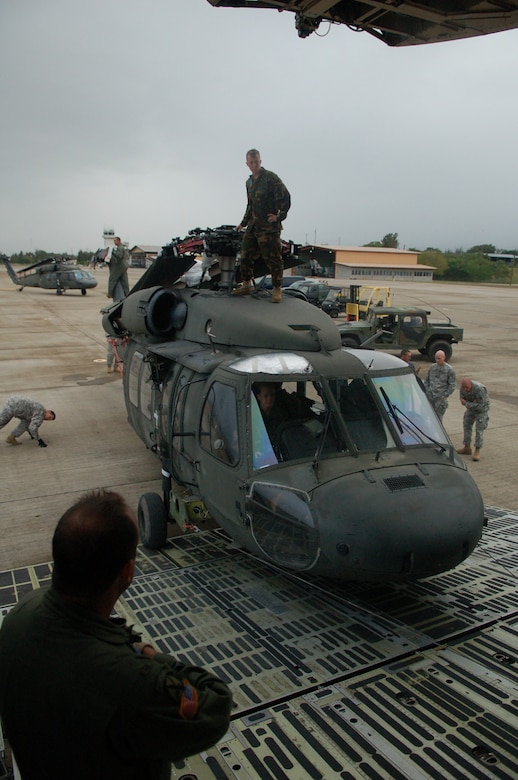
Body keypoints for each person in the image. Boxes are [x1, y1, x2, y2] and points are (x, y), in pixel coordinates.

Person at [0, 490, 232, 780]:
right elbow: (214, 707)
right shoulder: (130, 679)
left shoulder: (20, 614)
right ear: (128, 571)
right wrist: (149, 654)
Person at [233, 149, 291, 303]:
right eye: (251, 162)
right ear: (247, 164)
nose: (254, 164)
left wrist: (279, 217)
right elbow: (250, 205)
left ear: (260, 161)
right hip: (253, 225)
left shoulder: (270, 178)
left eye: (256, 161)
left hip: (268, 227)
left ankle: (277, 289)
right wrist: (243, 223)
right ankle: (246, 284)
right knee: (245, 254)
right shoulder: (249, 182)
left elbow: (285, 197)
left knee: (273, 258)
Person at [106, 236, 130, 372]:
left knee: (113, 280)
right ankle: (112, 366)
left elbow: (119, 256)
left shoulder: (120, 249)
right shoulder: (122, 250)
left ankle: (111, 366)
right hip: (118, 335)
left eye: (115, 240)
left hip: (116, 336)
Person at [456, 377, 490, 462]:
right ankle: (467, 447)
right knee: (466, 425)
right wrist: (472, 403)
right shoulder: (463, 387)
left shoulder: (480, 389)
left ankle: (477, 450)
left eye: (467, 388)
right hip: (471, 410)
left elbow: (480, 405)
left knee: (479, 430)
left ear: (471, 384)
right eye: (464, 387)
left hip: (482, 411)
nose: (465, 390)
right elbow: (462, 399)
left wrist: (467, 403)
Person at [423, 350, 456, 420]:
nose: (437, 360)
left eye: (439, 358)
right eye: (436, 358)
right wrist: (427, 391)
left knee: (438, 419)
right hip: (430, 396)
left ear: (444, 358)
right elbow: (427, 380)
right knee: (429, 417)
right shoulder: (432, 367)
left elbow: (452, 385)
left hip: (440, 398)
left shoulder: (449, 369)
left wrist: (444, 395)